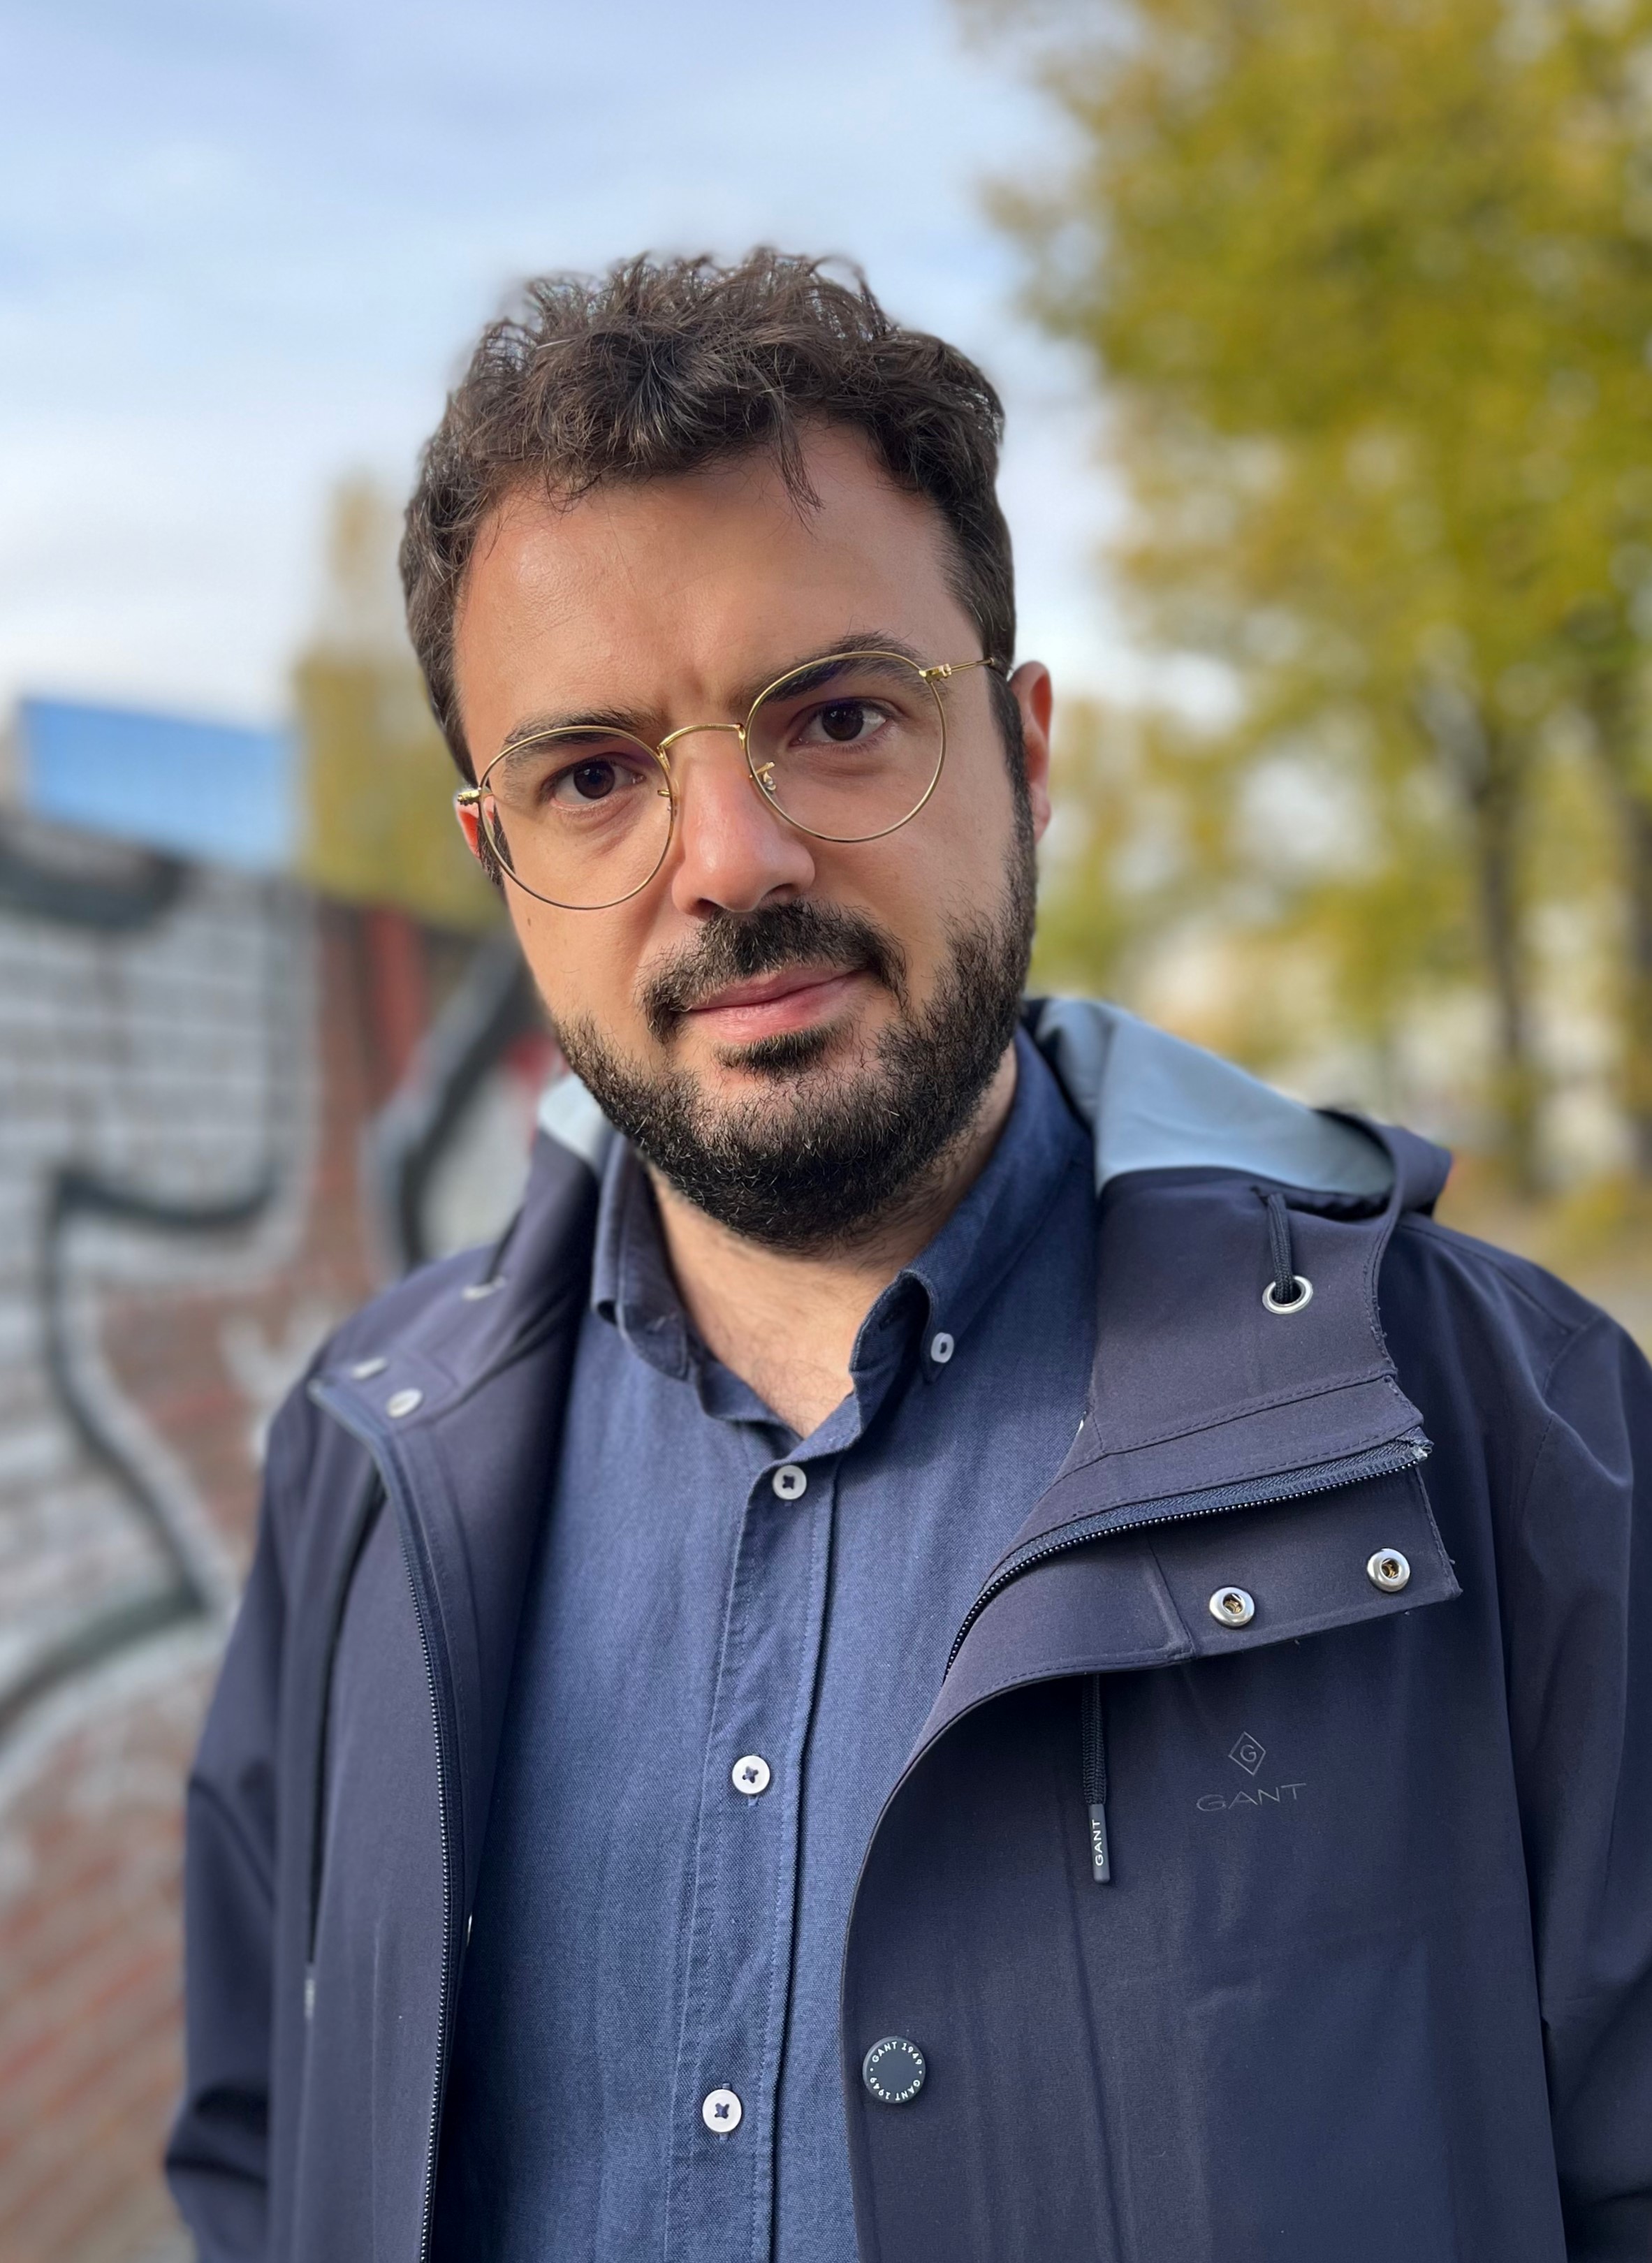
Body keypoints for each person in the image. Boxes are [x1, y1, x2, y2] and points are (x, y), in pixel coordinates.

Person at [166, 251, 1652, 2263]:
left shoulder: (1506, 1429)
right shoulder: (362, 1469)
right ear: (499, 866)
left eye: (842, 718)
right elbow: (264, 2165)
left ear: (1027, 756)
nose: (732, 861)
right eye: (592, 776)